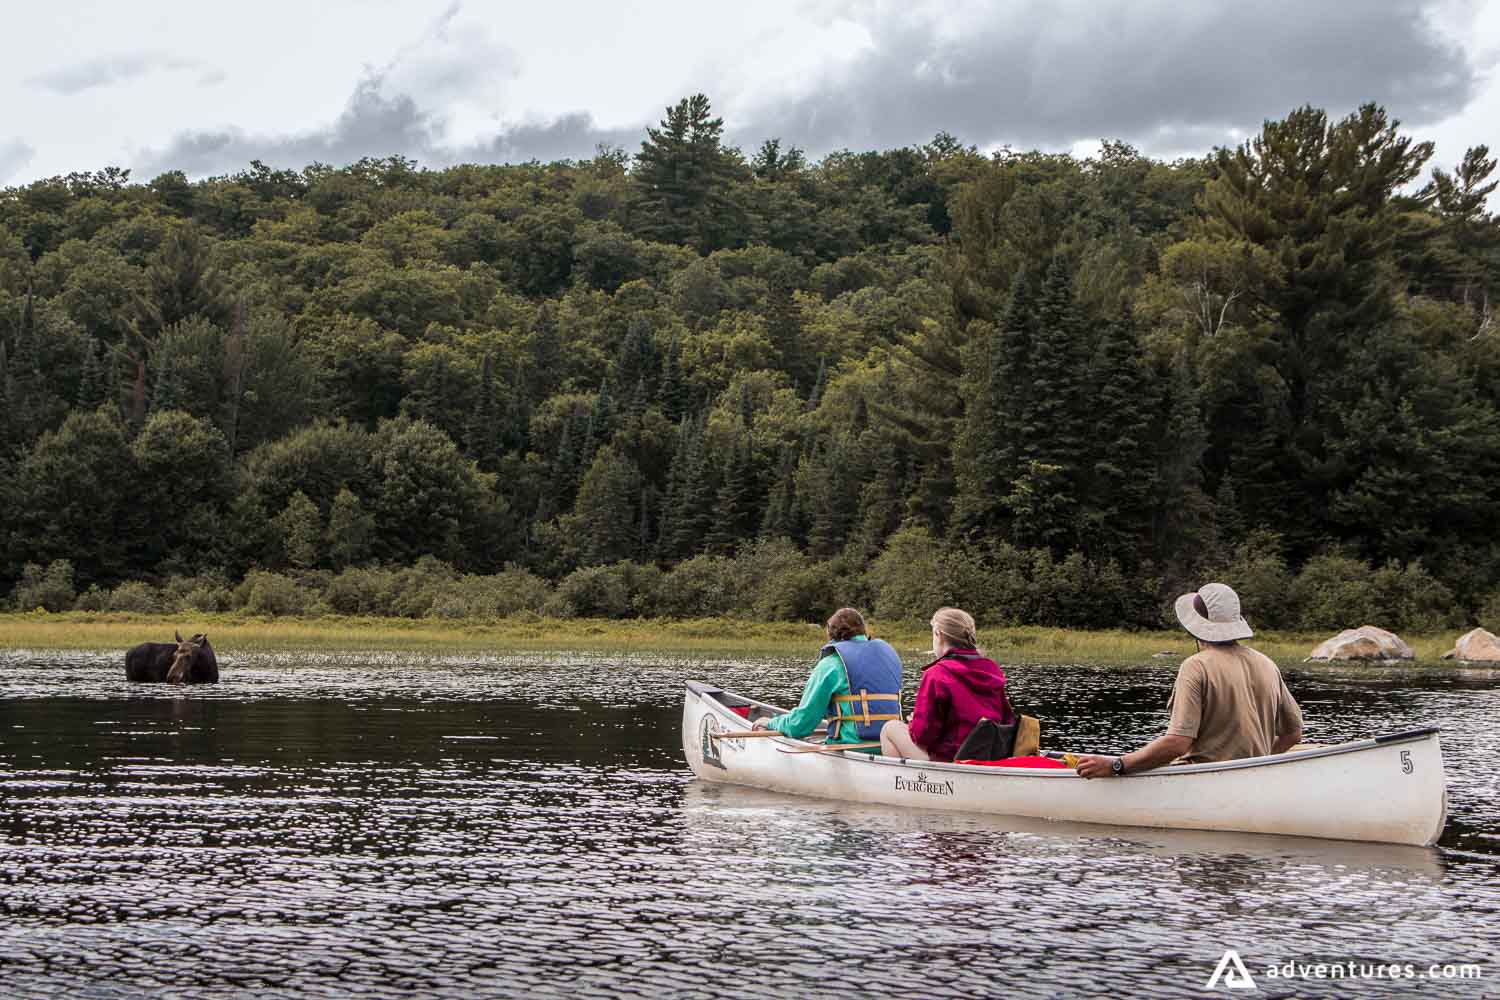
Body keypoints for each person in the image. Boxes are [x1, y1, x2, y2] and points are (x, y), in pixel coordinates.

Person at [1075, 582, 1303, 779]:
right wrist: (1256, 764)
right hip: (1252, 779)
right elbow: (1293, 733)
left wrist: (1116, 765)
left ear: (1197, 628)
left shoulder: (1196, 666)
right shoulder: (1267, 663)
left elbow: (1177, 743)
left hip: (1201, 779)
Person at [751, 607, 903, 752]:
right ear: (864, 631)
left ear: (831, 635)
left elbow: (800, 725)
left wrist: (771, 723)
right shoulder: (888, 657)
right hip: (891, 746)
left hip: (852, 746)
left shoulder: (831, 664)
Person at [879, 607, 1015, 762]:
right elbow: (1007, 719)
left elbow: (923, 736)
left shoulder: (936, 674)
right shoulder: (992, 669)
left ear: (939, 635)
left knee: (890, 728)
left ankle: (904, 784)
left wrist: (913, 724)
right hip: (988, 755)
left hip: (952, 759)